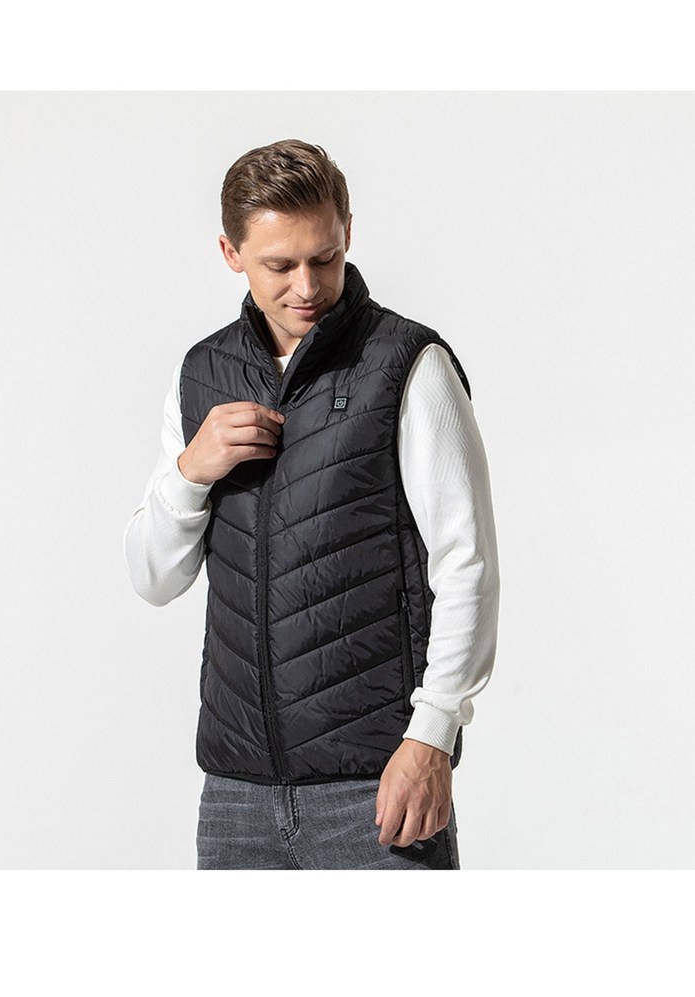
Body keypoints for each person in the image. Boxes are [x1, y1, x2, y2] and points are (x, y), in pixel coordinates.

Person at [123, 139, 500, 870]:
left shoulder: (405, 364)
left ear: (347, 233)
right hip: (235, 793)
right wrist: (191, 470)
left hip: (376, 784)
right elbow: (153, 577)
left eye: (324, 258)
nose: (307, 286)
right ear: (231, 253)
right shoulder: (201, 374)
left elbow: (468, 564)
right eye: (279, 265)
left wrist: (432, 736)